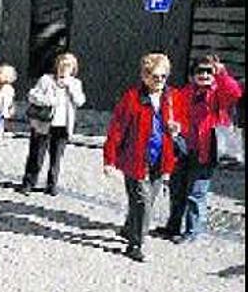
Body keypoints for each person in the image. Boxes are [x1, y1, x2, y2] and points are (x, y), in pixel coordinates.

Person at [156, 55, 243, 243]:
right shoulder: (187, 92)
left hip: (207, 151)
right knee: (177, 190)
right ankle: (172, 227)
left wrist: (221, 73)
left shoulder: (219, 93)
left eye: (208, 71)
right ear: (192, 75)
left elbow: (235, 91)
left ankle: (192, 231)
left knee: (196, 193)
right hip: (184, 149)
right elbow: (176, 114)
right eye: (199, 71)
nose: (203, 75)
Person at [103, 53, 181, 262]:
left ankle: (130, 229)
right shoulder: (131, 98)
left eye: (163, 77)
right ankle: (135, 245)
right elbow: (116, 130)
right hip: (135, 159)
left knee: (146, 201)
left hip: (160, 159)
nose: (160, 81)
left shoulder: (172, 97)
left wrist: (177, 127)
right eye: (155, 76)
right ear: (144, 76)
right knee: (143, 203)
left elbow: (182, 121)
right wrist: (109, 160)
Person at [20, 53, 86, 196]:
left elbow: (80, 101)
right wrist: (47, 100)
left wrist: (71, 88)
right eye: (62, 65)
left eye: (68, 66)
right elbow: (32, 95)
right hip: (43, 123)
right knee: (36, 155)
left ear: (73, 68)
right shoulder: (46, 80)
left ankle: (52, 184)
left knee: (56, 157)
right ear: (57, 66)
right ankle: (29, 182)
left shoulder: (75, 83)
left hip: (63, 125)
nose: (64, 69)